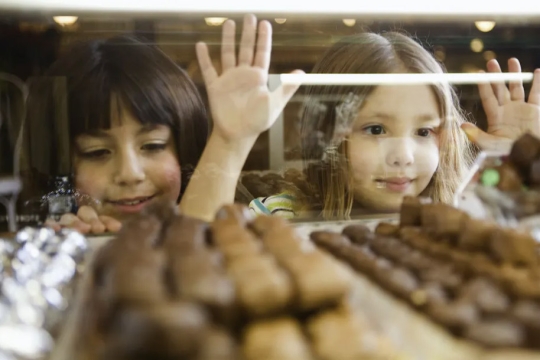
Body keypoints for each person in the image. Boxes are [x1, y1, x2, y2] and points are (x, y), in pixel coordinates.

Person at [24, 14, 302, 233]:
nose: (130, 173)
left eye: (153, 145)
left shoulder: (253, 224)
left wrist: (230, 141)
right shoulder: (51, 243)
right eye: (97, 152)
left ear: (184, 149)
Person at [249, 31, 540, 219]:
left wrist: (519, 167)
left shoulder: (469, 212)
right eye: (375, 129)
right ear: (326, 136)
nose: (403, 156)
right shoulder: (279, 216)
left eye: (424, 132)